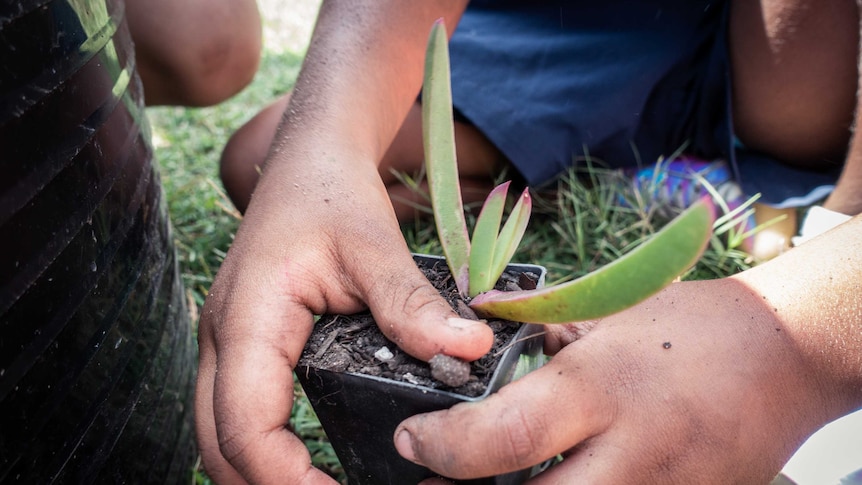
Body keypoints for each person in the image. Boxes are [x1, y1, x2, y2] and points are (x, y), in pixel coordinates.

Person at [194, 1, 862, 483]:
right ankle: (620, 163)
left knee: (791, 108)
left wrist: (795, 343)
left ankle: (839, 213)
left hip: (798, 46)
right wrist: (322, 145)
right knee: (258, 156)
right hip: (597, 22)